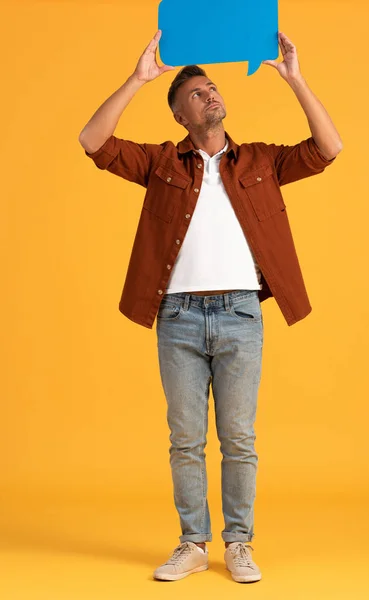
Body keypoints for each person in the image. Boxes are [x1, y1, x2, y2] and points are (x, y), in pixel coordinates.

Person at [79, 29, 342, 583]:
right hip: (176, 317)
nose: (210, 95)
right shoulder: (160, 163)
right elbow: (93, 141)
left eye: (213, 87)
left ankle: (239, 543)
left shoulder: (262, 162)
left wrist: (295, 77)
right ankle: (193, 543)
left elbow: (328, 149)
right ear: (179, 115)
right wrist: (138, 79)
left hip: (241, 314)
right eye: (196, 93)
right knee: (186, 439)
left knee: (240, 438)